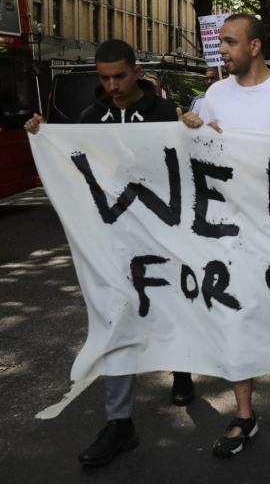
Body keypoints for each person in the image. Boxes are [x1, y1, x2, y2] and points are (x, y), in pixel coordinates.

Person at [25, 39, 181, 467]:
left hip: (163, 236)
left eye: (119, 76)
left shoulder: (166, 115)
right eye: (104, 77)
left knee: (174, 305)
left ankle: (182, 365)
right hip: (113, 242)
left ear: (135, 72)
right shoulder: (89, 119)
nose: (112, 85)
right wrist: (44, 135)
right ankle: (119, 423)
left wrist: (197, 131)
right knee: (114, 318)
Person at [181, 13, 270, 457]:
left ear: (255, 46)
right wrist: (191, 130)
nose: (221, 50)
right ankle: (245, 413)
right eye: (221, 43)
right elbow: (193, 153)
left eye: (229, 42)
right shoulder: (213, 96)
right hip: (228, 230)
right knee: (235, 314)